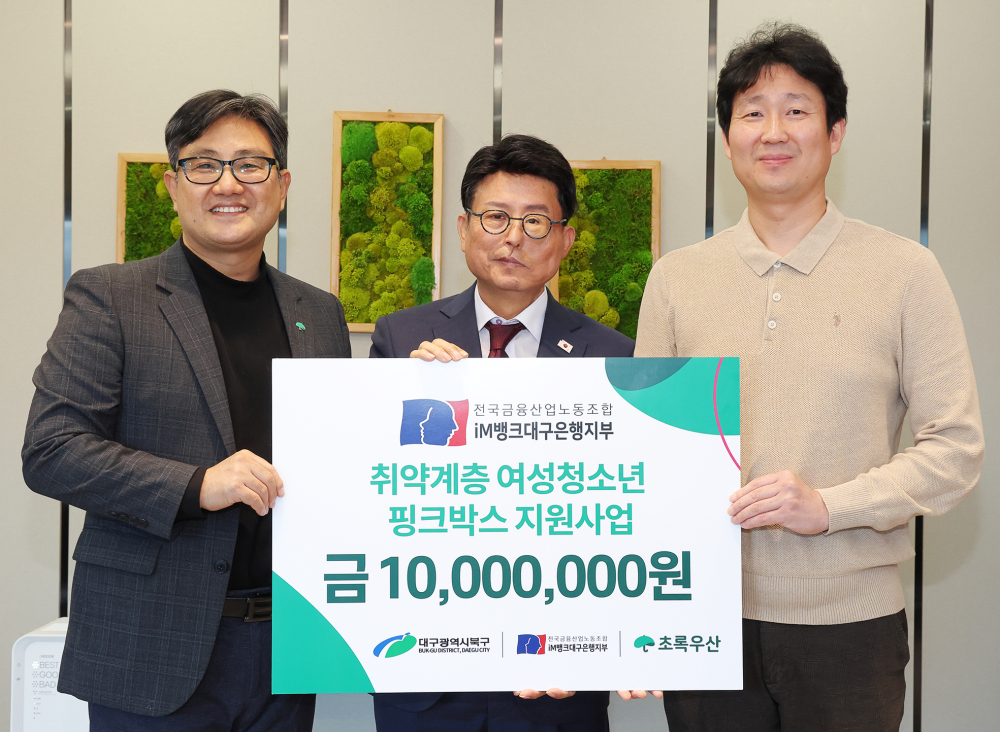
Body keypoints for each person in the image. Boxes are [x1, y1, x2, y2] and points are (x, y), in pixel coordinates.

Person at [633, 23, 984, 732]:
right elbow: (643, 459)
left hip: (850, 627)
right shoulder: (676, 279)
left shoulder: (905, 272)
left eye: (796, 110)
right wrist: (636, 618)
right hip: (702, 615)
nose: (773, 131)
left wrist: (830, 506)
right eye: (752, 112)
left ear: (836, 132)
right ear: (727, 137)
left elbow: (955, 451)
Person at [22, 89, 351, 731]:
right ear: (174, 185)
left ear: (282, 186)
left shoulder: (319, 313)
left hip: (287, 648)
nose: (228, 184)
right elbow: (52, 450)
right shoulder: (111, 296)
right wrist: (197, 485)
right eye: (204, 165)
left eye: (250, 165)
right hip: (149, 645)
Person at [370, 134, 635, 731]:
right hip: (428, 668)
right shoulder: (402, 338)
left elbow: (622, 511)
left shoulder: (613, 355)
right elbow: (374, 488)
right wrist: (408, 394)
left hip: (558, 676)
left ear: (565, 240)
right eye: (495, 217)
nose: (513, 237)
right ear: (464, 229)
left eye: (536, 222)